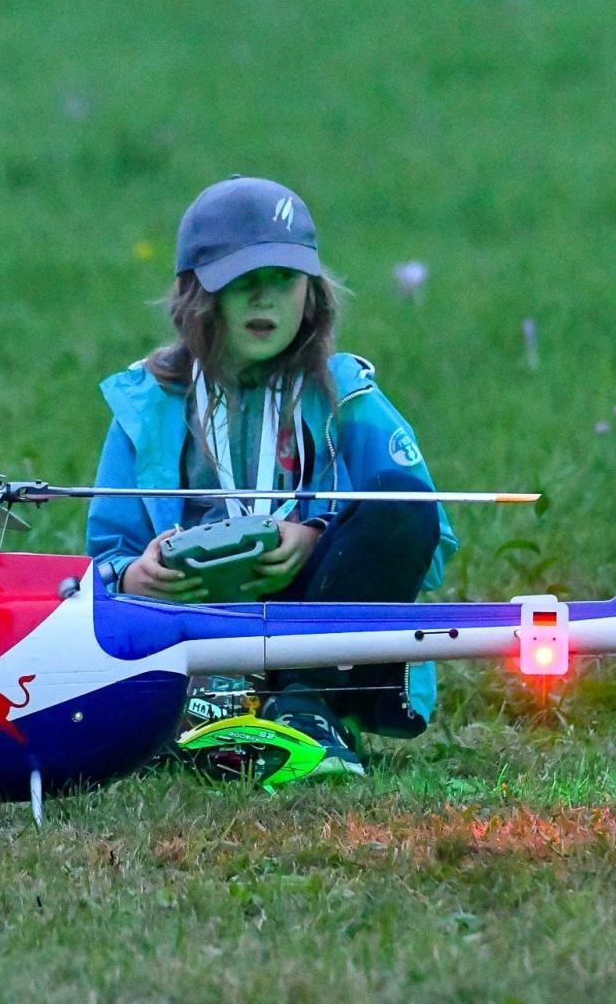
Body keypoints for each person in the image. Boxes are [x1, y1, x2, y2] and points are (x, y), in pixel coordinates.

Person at [86, 176, 457, 776]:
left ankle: (304, 708)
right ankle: (200, 715)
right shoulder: (145, 407)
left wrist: (314, 537)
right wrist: (136, 574)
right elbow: (102, 562)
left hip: (315, 624)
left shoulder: (348, 395)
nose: (266, 300)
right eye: (243, 281)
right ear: (198, 295)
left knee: (400, 502)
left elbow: (427, 543)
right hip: (195, 626)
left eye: (284, 280)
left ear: (312, 293)